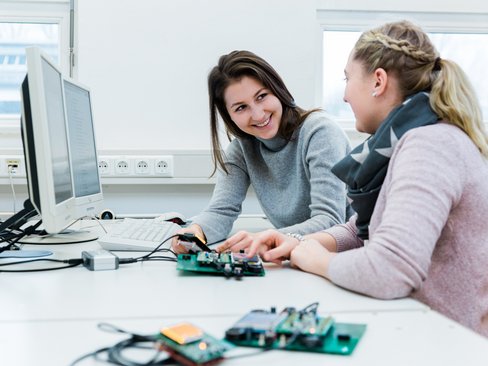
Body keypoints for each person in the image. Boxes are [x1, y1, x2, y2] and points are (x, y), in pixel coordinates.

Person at [222, 21, 488, 337]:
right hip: (420, 323)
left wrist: (316, 258)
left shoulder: (429, 146)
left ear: (378, 81)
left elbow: (390, 269)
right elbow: (365, 225)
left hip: (450, 339)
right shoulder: (408, 140)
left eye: (348, 78)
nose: (346, 95)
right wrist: (300, 242)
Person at [172, 50, 351, 253]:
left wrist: (264, 239)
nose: (258, 115)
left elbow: (330, 220)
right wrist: (195, 232)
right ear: (229, 116)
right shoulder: (242, 148)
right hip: (293, 255)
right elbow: (221, 211)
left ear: (278, 90)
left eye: (262, 96)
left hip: (341, 252)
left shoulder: (320, 132)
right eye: (241, 108)